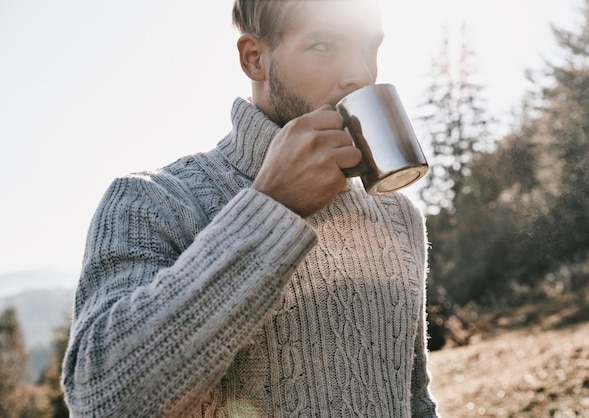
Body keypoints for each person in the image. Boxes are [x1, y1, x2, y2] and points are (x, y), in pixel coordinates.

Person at [62, 0, 439, 416]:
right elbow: (100, 399)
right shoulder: (151, 201)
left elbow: (412, 400)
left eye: (371, 49)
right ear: (254, 59)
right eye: (325, 46)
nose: (362, 74)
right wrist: (271, 207)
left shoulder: (397, 216)